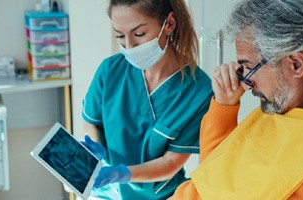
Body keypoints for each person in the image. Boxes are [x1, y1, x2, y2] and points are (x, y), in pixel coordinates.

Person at [169, 0, 303, 199]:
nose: (246, 83)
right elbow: (212, 175)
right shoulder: (279, 106)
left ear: (296, 64)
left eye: (249, 68)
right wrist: (224, 106)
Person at [80, 0, 213, 199]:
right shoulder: (110, 70)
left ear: (169, 24)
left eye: (139, 34)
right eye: (120, 36)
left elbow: (170, 162)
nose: (129, 46)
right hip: (106, 192)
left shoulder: (198, 90)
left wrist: (123, 173)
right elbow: (92, 123)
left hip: (161, 195)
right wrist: (95, 147)